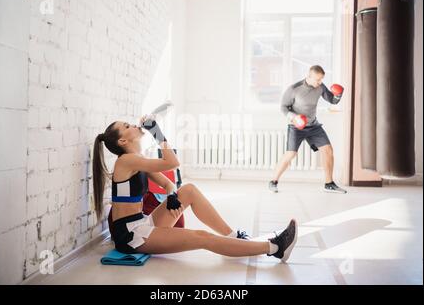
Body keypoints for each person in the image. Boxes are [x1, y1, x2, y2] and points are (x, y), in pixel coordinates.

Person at [92, 115, 298, 262]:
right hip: (130, 235)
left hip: (142, 222)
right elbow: (172, 162)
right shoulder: (126, 161)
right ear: (123, 140)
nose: (133, 125)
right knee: (202, 238)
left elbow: (167, 182)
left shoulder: (137, 160)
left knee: (188, 190)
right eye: (127, 126)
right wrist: (156, 131)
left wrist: (172, 195)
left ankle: (232, 236)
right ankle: (274, 247)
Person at [269, 65, 347, 194]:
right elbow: (283, 107)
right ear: (309, 76)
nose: (320, 82)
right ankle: (273, 181)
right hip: (296, 126)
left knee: (328, 150)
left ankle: (329, 184)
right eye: (317, 80)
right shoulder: (294, 89)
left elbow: (332, 100)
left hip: (313, 126)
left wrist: (338, 95)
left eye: (321, 79)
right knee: (291, 154)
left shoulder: (320, 87)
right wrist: (294, 118)